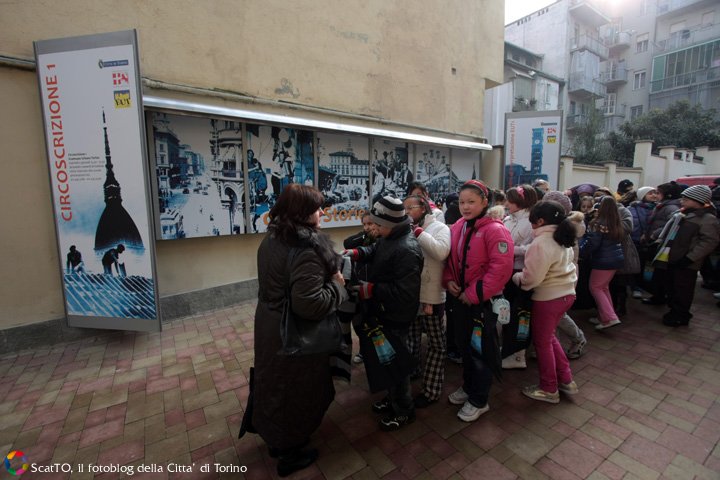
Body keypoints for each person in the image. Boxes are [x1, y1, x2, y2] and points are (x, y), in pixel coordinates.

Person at [251, 184, 348, 477]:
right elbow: (310, 304)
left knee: (274, 384)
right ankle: (289, 453)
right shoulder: (306, 249)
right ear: (302, 212)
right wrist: (337, 287)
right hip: (294, 332)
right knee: (296, 390)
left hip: (270, 325)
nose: (322, 213)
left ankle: (277, 441)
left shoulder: (272, 238)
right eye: (317, 208)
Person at [348, 195, 423, 431]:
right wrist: (357, 253)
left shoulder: (407, 249)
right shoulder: (390, 236)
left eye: (378, 225)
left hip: (397, 316)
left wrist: (371, 289)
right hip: (384, 311)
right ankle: (393, 399)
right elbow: (375, 249)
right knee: (386, 361)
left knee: (395, 365)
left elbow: (406, 293)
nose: (375, 229)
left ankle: (404, 410)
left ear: (391, 224)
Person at [443, 180, 514, 422]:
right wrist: (448, 280)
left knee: (481, 350)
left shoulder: (495, 230)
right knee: (464, 346)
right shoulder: (458, 226)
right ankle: (469, 386)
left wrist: (472, 294)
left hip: (483, 302)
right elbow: (450, 259)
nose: (465, 206)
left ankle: (479, 399)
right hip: (461, 300)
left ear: (484, 202)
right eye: (462, 202)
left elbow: (500, 269)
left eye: (471, 202)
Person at [512, 201, 579, 403]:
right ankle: (566, 379)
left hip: (548, 298)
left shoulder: (541, 243)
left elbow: (531, 279)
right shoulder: (562, 236)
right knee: (549, 338)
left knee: (542, 343)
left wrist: (516, 277)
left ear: (540, 221)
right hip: (566, 294)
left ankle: (549, 388)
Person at [403, 194, 451, 408]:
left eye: (410, 208)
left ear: (423, 208)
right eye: (404, 209)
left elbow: (441, 252)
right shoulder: (407, 228)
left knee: (436, 344)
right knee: (411, 338)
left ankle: (431, 390)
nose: (406, 212)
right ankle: (413, 370)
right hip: (411, 293)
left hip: (432, 295)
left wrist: (419, 233)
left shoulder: (440, 227)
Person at [655, 185, 720, 326]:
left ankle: (681, 315)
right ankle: (673, 310)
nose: (681, 201)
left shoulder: (707, 219)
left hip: (687, 261)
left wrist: (689, 258)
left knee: (683, 289)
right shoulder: (681, 213)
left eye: (686, 199)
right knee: (672, 286)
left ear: (698, 201)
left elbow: (709, 241)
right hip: (672, 257)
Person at [542, 191, 587, 359]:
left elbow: (567, 259)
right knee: (554, 316)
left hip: (563, 278)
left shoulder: (566, 230)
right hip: (557, 277)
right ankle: (554, 346)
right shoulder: (559, 227)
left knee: (558, 315)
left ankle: (578, 339)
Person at [501, 185, 539, 370]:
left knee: (521, 315)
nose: (506, 203)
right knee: (508, 313)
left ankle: (518, 354)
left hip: (523, 273)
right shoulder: (508, 219)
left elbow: (533, 248)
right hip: (507, 272)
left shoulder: (532, 221)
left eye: (510, 200)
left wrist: (510, 250)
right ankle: (509, 349)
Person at [580, 196, 625, 330]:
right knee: (603, 288)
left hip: (603, 260)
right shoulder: (615, 222)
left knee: (596, 287)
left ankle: (610, 317)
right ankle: (604, 316)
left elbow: (593, 244)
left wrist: (581, 252)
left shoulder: (598, 223)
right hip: (615, 259)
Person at [343, 212, 377, 365]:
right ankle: (364, 350)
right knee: (360, 322)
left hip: (374, 287)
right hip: (360, 285)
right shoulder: (362, 238)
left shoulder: (382, 240)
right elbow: (347, 242)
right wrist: (365, 235)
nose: (367, 227)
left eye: (370, 224)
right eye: (364, 224)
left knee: (372, 322)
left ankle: (373, 351)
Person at [643, 181, 684, 305]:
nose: (656, 195)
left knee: (660, 273)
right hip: (655, 240)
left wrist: (655, 234)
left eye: (658, 193)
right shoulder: (662, 205)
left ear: (667, 195)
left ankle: (659, 296)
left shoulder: (671, 208)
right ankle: (657, 295)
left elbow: (669, 225)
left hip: (660, 242)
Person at [628, 186, 659, 297]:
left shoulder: (658, 208)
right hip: (636, 241)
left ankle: (648, 287)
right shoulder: (632, 208)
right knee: (637, 265)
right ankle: (636, 287)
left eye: (655, 192)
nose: (654, 195)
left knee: (650, 267)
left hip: (653, 241)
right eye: (650, 193)